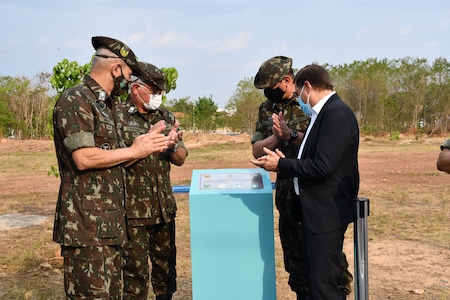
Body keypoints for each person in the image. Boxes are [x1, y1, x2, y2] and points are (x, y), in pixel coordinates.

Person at [52, 36, 170, 299]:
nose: (129, 82)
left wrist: (143, 145)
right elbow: (83, 158)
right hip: (86, 230)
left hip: (111, 227)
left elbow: (114, 161)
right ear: (116, 69)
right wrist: (134, 150)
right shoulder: (76, 99)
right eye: (129, 75)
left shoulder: (107, 107)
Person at [251, 63, 359, 300]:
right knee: (310, 278)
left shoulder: (335, 113)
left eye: (300, 92)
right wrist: (285, 135)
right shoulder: (323, 113)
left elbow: (323, 165)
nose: (301, 98)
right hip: (303, 207)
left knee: (326, 284)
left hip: (325, 211)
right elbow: (313, 152)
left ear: (304, 86)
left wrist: (281, 165)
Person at [117, 62, 188, 300]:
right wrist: (141, 147)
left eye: (161, 93)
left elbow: (180, 159)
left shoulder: (165, 116)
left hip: (163, 210)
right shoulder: (116, 116)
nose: (158, 97)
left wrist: (172, 145)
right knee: (133, 278)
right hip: (131, 214)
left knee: (165, 276)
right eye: (154, 91)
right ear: (136, 89)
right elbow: (111, 163)